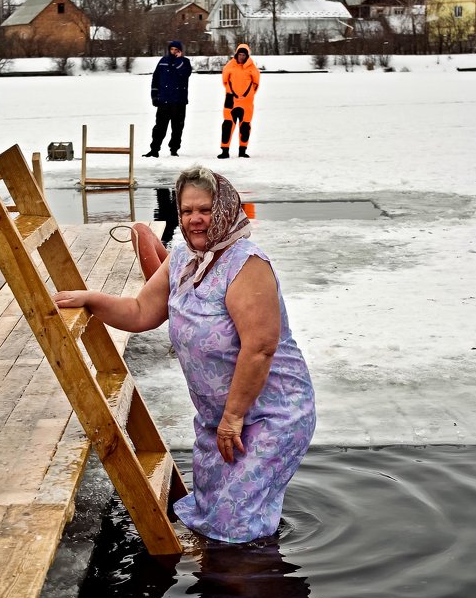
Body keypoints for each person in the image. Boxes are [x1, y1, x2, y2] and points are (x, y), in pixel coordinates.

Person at [53, 166, 315, 544]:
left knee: (236, 525)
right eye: (187, 210)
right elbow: (142, 311)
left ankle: (253, 597)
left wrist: (233, 417)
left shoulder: (247, 264)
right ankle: (222, 589)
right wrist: (92, 299)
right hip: (219, 418)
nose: (195, 219)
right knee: (212, 513)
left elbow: (260, 348)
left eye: (205, 209)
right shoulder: (182, 259)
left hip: (271, 415)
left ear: (226, 209)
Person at [143, 40, 192, 158]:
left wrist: (178, 60)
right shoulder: (163, 61)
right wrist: (154, 96)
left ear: (180, 51)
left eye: (176, 50)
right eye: (172, 49)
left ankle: (174, 150)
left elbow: (185, 74)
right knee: (159, 127)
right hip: (164, 101)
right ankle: (154, 150)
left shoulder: (185, 62)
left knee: (177, 128)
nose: (174, 52)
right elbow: (155, 79)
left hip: (179, 102)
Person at [217, 43, 260, 159]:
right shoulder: (230, 66)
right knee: (227, 125)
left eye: (243, 55)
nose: (241, 57)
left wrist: (249, 95)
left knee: (245, 126)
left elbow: (256, 83)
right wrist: (231, 93)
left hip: (246, 102)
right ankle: (224, 151)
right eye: (239, 54)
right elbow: (225, 81)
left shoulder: (252, 68)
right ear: (236, 54)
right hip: (230, 100)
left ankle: (242, 151)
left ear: (247, 56)